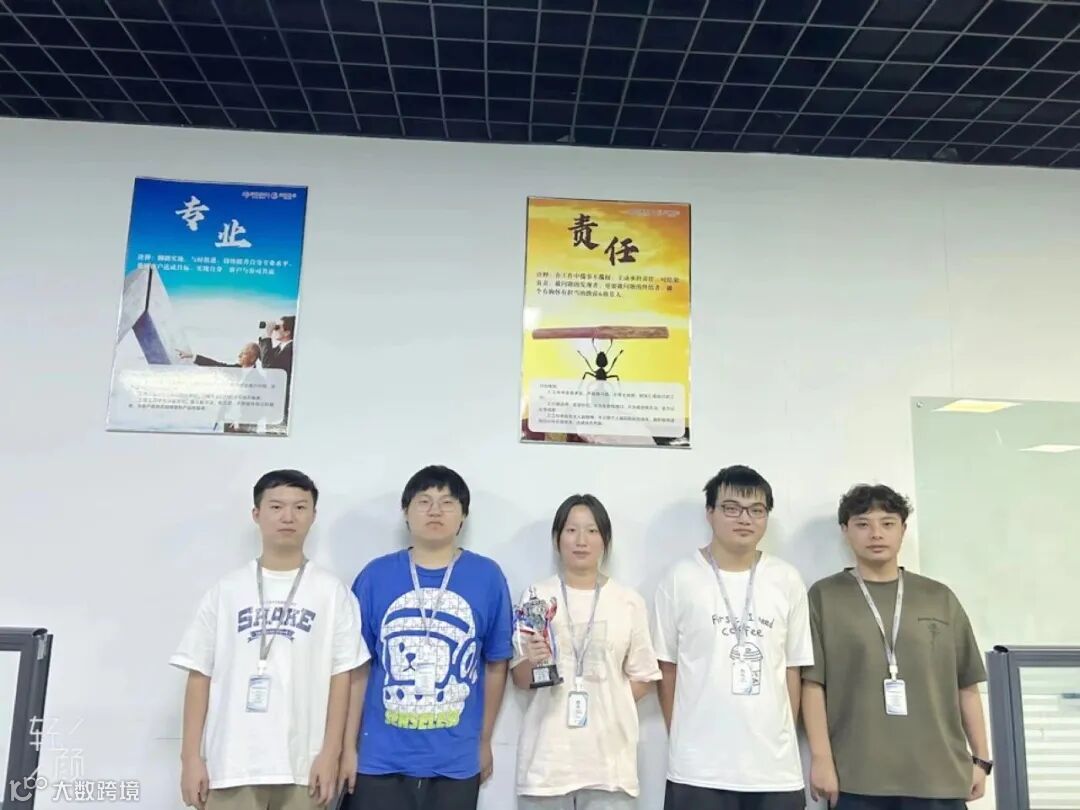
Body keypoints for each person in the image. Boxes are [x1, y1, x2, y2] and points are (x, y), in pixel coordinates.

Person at [171, 469, 370, 810]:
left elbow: (342, 677)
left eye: (300, 507)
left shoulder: (331, 592)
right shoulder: (227, 591)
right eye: (276, 507)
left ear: (313, 515)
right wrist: (190, 758)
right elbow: (199, 674)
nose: (288, 517)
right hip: (231, 766)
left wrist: (331, 753)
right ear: (256, 514)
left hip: (304, 768)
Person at [801, 484, 990, 810]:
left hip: (939, 777)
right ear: (845, 530)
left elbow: (966, 684)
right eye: (863, 524)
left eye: (887, 523)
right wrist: (821, 760)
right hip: (856, 778)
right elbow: (812, 685)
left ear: (902, 529)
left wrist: (982, 759)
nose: (876, 534)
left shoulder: (939, 597)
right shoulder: (824, 596)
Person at [343, 465, 513, 810]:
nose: (435, 511)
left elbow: (497, 664)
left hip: (456, 759)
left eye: (447, 502)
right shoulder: (375, 576)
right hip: (379, 758)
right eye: (424, 501)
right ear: (405, 512)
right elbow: (355, 668)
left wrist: (484, 740)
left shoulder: (487, 577)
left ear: (463, 515)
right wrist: (347, 747)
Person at [653, 465, 812, 810]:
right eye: (731, 508)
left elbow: (792, 669)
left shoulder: (786, 580)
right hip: (698, 770)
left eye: (756, 510)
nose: (745, 519)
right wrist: (683, 738)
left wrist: (781, 737)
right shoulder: (679, 578)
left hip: (774, 771)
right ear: (710, 512)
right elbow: (667, 669)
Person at [513, 494, 661, 809]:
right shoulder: (537, 596)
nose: (581, 540)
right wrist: (535, 662)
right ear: (557, 538)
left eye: (592, 531)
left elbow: (644, 677)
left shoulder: (628, 601)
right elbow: (521, 679)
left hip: (610, 767)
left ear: (605, 539)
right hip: (547, 766)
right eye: (571, 530)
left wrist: (610, 697)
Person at [178, 343, 261, 368]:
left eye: (243, 354)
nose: (239, 356)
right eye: (241, 353)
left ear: (252, 358)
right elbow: (216, 365)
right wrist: (192, 356)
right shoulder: (236, 369)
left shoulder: (258, 379)